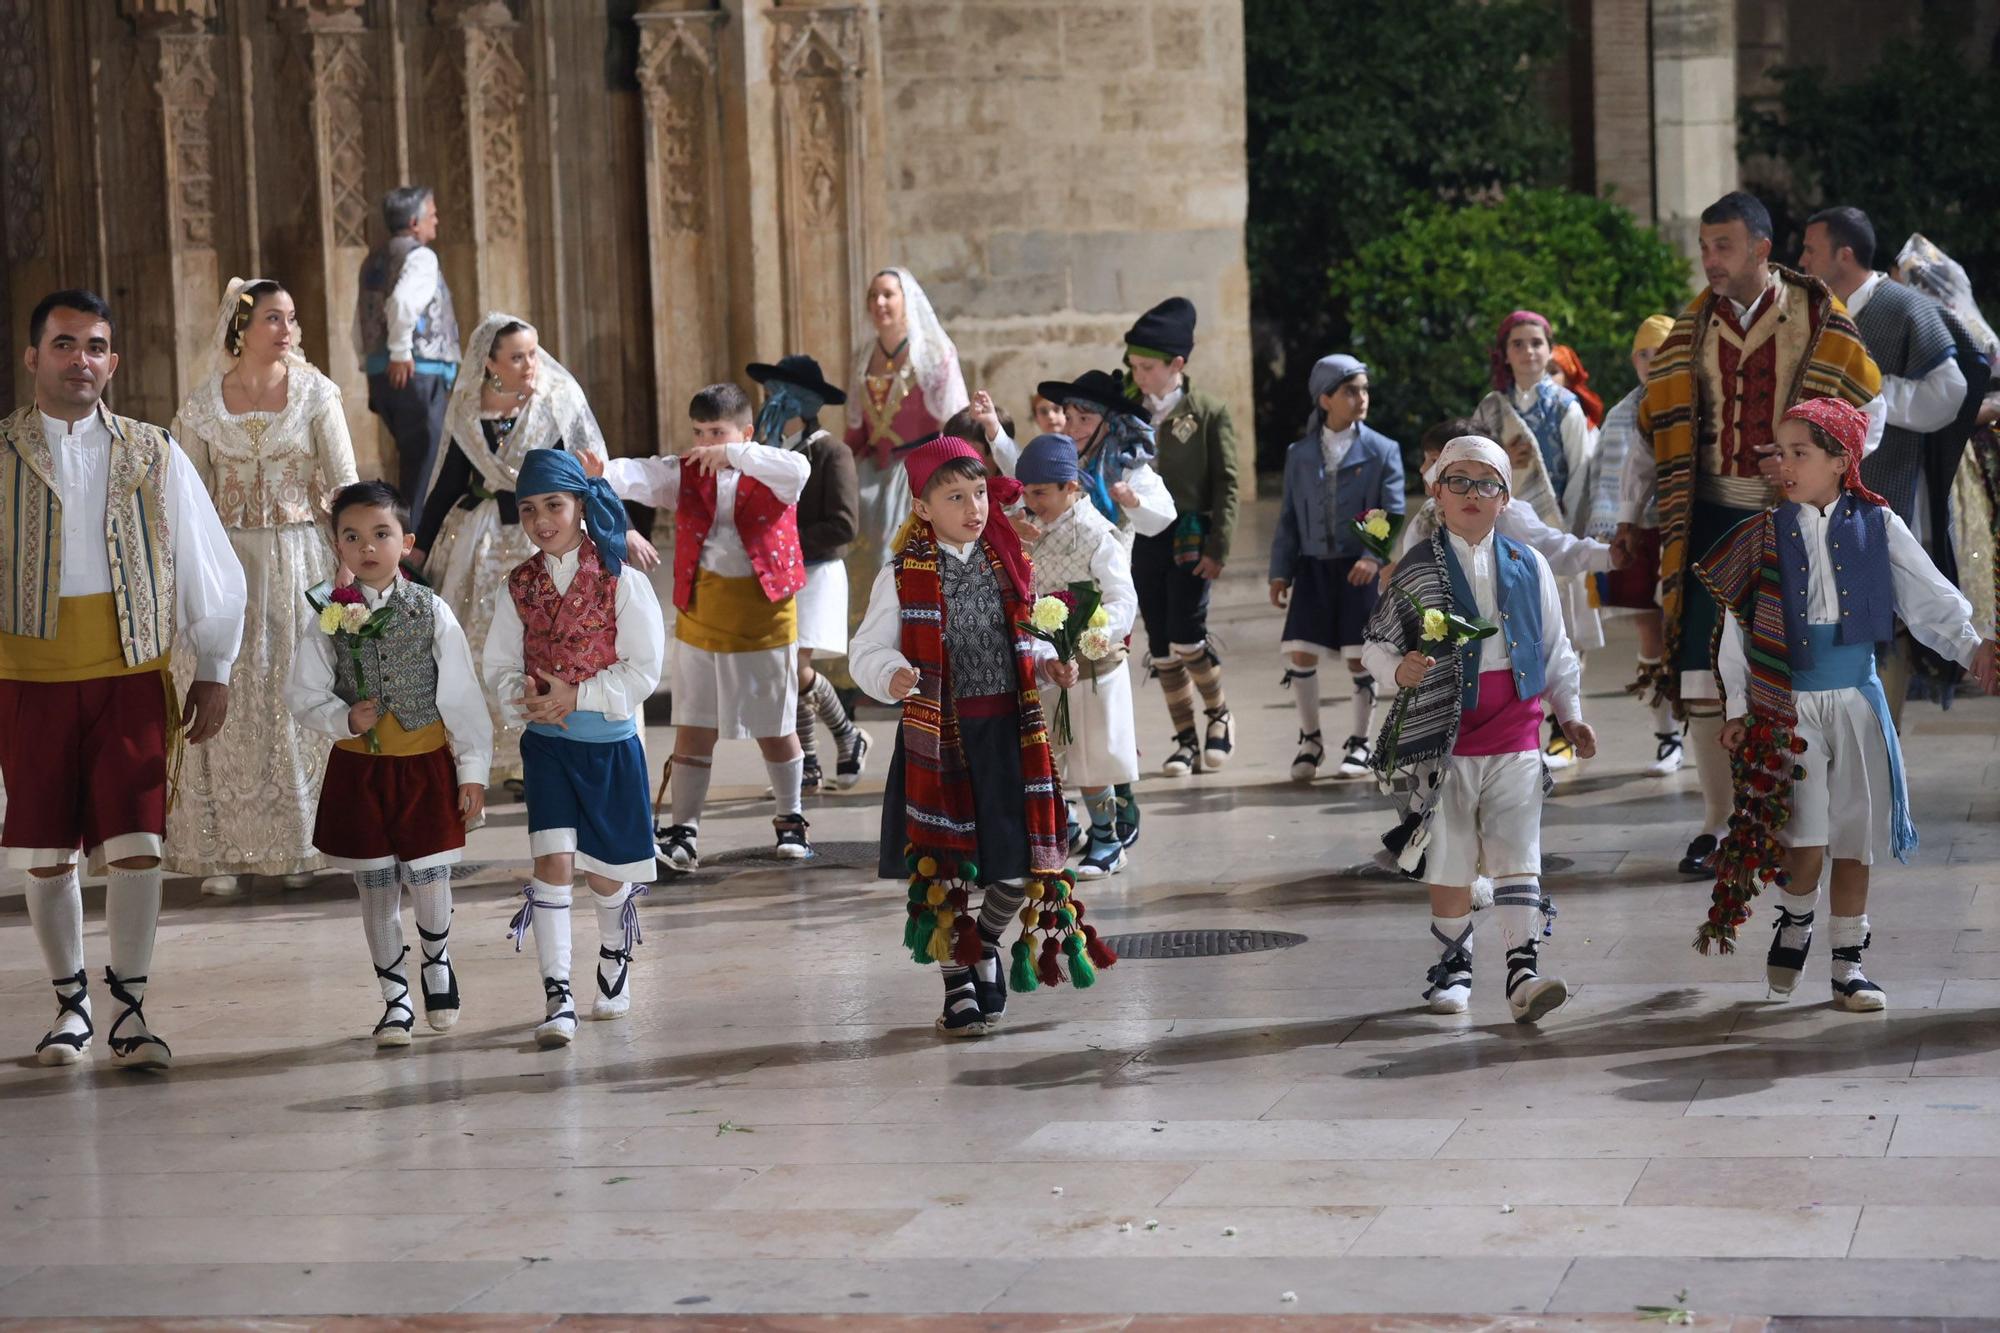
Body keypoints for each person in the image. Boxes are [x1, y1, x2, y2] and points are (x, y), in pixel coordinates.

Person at [1, 289, 247, 1068]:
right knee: (46, 849)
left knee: (138, 843)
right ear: (33, 355)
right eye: (66, 344)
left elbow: (207, 559)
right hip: (29, 675)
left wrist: (215, 664)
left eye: (97, 346)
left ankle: (130, 1010)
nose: (83, 360)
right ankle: (70, 1007)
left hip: (131, 671)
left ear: (113, 361)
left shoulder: (153, 450)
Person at [1698, 398, 1998, 1010]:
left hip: (1858, 702)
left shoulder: (1878, 525)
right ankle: (1796, 920)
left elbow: (1927, 599)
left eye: (1800, 453)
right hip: (1788, 707)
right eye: (1781, 452)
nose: (1786, 464)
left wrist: (1972, 649)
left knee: (1854, 838)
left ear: (1842, 460)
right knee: (1802, 840)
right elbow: (1738, 629)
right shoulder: (1762, 534)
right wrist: (1736, 707)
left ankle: (1848, 962)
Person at [1619, 190, 1884, 879]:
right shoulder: (1691, 326)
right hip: (1707, 519)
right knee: (1702, 675)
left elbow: (1869, 408)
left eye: (1724, 246)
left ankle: (1788, 819)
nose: (1710, 260)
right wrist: (1628, 515)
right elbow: (1651, 430)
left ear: (1762, 250)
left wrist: (1819, 457)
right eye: (1705, 247)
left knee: (1791, 673)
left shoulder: (1822, 315)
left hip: (1792, 522)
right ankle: (1720, 819)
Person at [850, 437, 1115, 1037]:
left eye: (977, 494)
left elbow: (1031, 629)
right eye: (955, 497)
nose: (974, 507)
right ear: (923, 507)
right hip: (943, 741)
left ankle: (985, 943)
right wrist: (890, 673)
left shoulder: (1008, 562)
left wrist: (1051, 660)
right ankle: (956, 986)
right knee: (946, 872)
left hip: (1009, 736)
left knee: (1016, 868)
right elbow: (866, 647)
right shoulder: (903, 576)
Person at [1362, 436, 1593, 1024]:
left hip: (1517, 726)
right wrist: (1399, 667)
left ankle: (1523, 970)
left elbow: (1555, 648)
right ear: (1436, 493)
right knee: (1451, 853)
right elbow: (1375, 647)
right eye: (1457, 481)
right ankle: (1454, 964)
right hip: (1445, 731)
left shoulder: (1529, 564)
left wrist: (1571, 713)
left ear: (1506, 498)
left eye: (1486, 483)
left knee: (1519, 850)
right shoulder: (1414, 570)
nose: (1472, 493)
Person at [169, 277, 359, 897]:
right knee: (227, 689)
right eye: (274, 319)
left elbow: (345, 484)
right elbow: (186, 501)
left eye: (291, 318)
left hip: (300, 558)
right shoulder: (200, 407)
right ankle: (220, 849)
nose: (287, 330)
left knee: (291, 688)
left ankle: (300, 843)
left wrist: (351, 563)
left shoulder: (316, 395)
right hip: (225, 566)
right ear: (240, 330)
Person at [284, 480, 492, 1047]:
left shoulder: (431, 610)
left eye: (381, 534)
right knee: (375, 885)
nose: (368, 547)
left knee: (428, 876)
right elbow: (302, 692)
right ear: (338, 546)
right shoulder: (328, 613)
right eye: (353, 537)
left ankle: (436, 960)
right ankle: (394, 996)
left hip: (423, 765)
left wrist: (472, 771)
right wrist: (342, 718)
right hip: (360, 770)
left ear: (407, 542)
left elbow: (463, 698)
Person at [588, 383, 812, 869]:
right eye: (699, 433)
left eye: (718, 433)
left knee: (775, 725)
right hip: (701, 611)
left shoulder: (777, 471)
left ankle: (790, 817)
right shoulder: (685, 473)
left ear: (745, 432)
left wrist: (737, 455)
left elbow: (800, 469)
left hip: (764, 613)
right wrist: (602, 470)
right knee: (694, 727)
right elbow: (643, 474)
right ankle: (684, 829)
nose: (706, 443)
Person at [483, 449, 663, 1048]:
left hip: (608, 747)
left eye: (553, 506)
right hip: (549, 750)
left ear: (581, 506)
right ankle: (557, 995)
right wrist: (528, 698)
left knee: (607, 877)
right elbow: (501, 665)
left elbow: (643, 671)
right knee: (552, 861)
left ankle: (614, 956)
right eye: (528, 509)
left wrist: (577, 695)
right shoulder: (519, 585)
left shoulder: (621, 580)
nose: (541, 520)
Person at [413, 312, 630, 783]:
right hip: (479, 537)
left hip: (545, 535)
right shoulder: (469, 406)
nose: (530, 363)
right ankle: (479, 753)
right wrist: (419, 545)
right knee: (475, 646)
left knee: (544, 639)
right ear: (490, 361)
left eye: (533, 352)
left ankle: (535, 748)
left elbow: (586, 479)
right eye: (516, 356)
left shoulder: (557, 401)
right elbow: (449, 479)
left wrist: (616, 529)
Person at [1800, 205, 1983, 721]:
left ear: (1845, 253)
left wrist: (1864, 398)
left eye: (1811, 249)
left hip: (1891, 484)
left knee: (1887, 615)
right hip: (1820, 492)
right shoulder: (1812, 312)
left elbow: (1950, 392)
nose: (1801, 259)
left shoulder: (1904, 307)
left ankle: (1883, 738)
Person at [1470, 310, 1598, 769]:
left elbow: (1582, 473)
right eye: (1518, 344)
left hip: (1555, 527)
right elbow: (1468, 463)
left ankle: (1564, 727)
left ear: (1550, 349)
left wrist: (1575, 534)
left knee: (1559, 632)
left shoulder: (1565, 406)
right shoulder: (1490, 409)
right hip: (1500, 533)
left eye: (1537, 343)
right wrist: (1505, 458)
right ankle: (1519, 725)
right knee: (1512, 628)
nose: (1528, 352)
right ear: (1505, 353)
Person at [1268, 353, 1404, 781]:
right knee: (1299, 649)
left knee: (1360, 657)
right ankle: (1310, 740)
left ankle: (1361, 743)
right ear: (1325, 399)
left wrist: (1372, 556)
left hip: (1357, 567)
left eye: (1364, 389)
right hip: (1312, 567)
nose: (1361, 397)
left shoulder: (1382, 450)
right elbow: (1289, 516)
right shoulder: (1300, 454)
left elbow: (1392, 507)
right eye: (1350, 390)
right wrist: (1280, 571)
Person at [1123, 297, 1242, 777]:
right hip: (1142, 535)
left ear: (1177, 364)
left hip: (1190, 535)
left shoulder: (1208, 411)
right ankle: (1185, 739)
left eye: (1147, 367)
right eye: (1132, 366)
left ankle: (1219, 715)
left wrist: (1219, 548)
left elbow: (1227, 481)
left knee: (1187, 634)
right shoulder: (1128, 410)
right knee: (1160, 644)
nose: (1138, 376)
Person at [1016, 433, 1141, 878]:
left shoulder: (1096, 534)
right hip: (1048, 663)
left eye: (1041, 493)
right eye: (1026, 493)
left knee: (1092, 753)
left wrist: (1095, 634)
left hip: (1092, 663)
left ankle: (1108, 840)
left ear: (1071, 488)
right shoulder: (1028, 529)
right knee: (1050, 751)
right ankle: (1063, 830)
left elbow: (1122, 598)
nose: (1032, 502)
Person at [750, 354, 869, 793]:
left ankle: (831, 746)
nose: (768, 404)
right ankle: (824, 754)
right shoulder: (768, 454)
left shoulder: (830, 451)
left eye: (775, 396)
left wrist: (785, 539)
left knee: (795, 667)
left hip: (816, 572)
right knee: (785, 667)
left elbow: (844, 524)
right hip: (776, 574)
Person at [843, 268, 969, 630]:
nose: (879, 303)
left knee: (901, 563)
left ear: (906, 299)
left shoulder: (931, 353)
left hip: (917, 475)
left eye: (888, 295)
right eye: (873, 296)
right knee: (861, 564)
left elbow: (955, 422)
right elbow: (855, 427)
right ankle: (867, 668)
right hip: (871, 477)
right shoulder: (863, 355)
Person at [1598, 314, 1685, 774]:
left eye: (1664, 353)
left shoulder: (1691, 401)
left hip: (1683, 528)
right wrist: (1611, 529)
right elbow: (1610, 478)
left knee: (1687, 628)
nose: (1655, 363)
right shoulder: (1621, 413)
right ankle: (1666, 733)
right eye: (1647, 354)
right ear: (1635, 360)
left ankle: (1703, 723)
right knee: (1651, 630)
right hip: (1640, 533)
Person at [354, 186, 458, 516]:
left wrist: (371, 363)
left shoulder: (373, 258)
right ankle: (411, 552)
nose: (437, 221)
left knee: (413, 464)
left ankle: (403, 543)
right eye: (432, 214)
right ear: (414, 222)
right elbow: (400, 302)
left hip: (384, 375)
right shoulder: (421, 256)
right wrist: (399, 353)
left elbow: (358, 323)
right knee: (426, 471)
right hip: (416, 374)